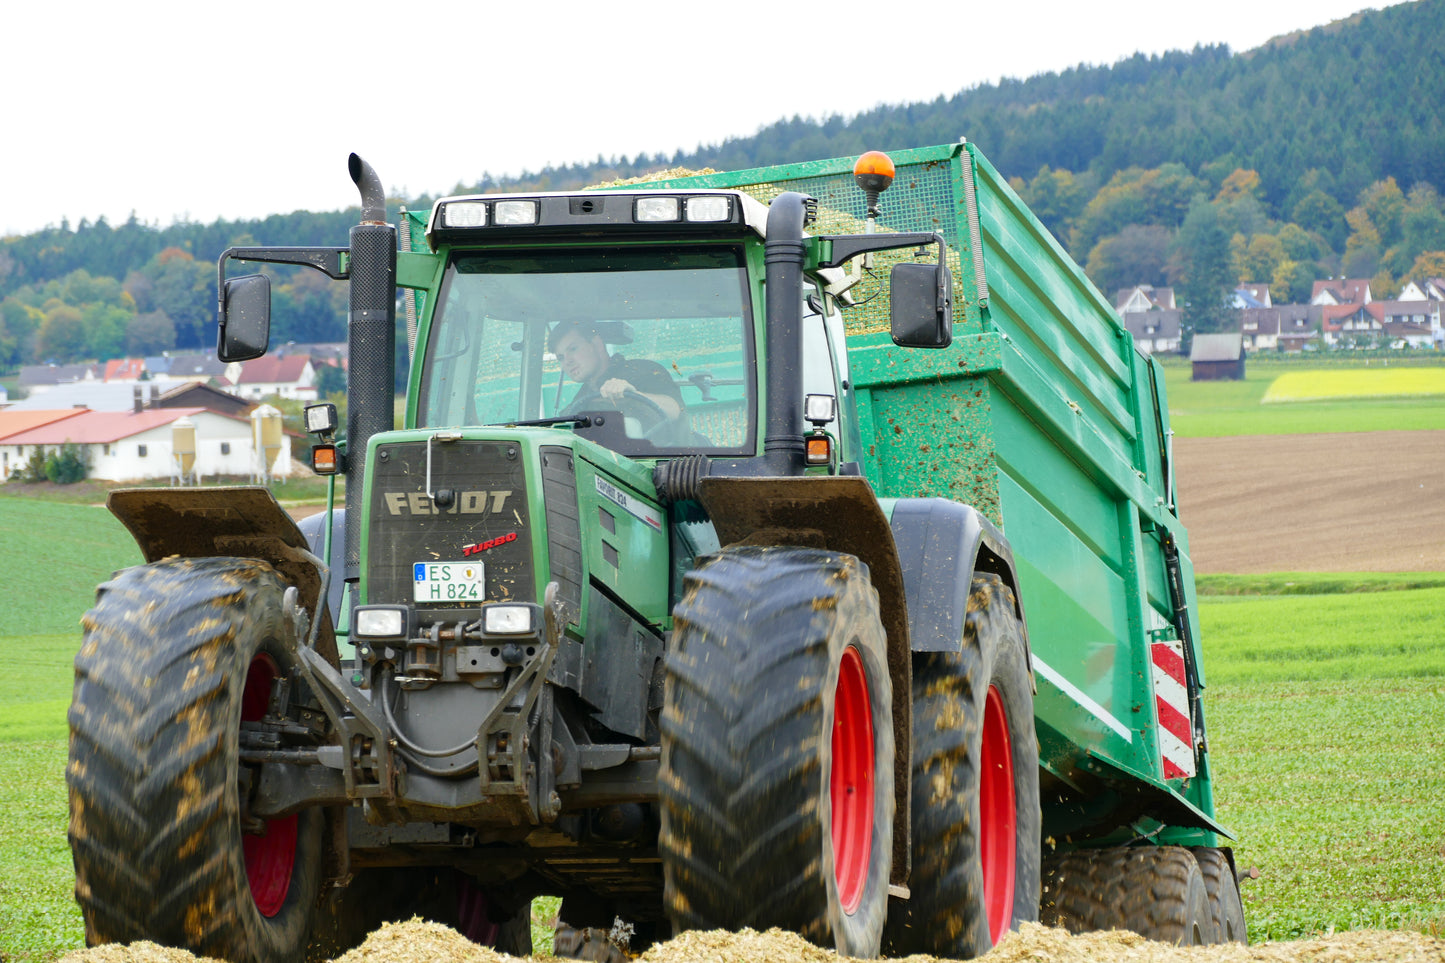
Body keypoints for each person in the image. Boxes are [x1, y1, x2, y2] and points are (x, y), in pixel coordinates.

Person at [549, 320, 684, 429]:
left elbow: (674, 409)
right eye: (561, 357)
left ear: (597, 343)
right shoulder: (579, 402)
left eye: (573, 349)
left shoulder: (644, 371)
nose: (567, 361)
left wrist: (634, 395)